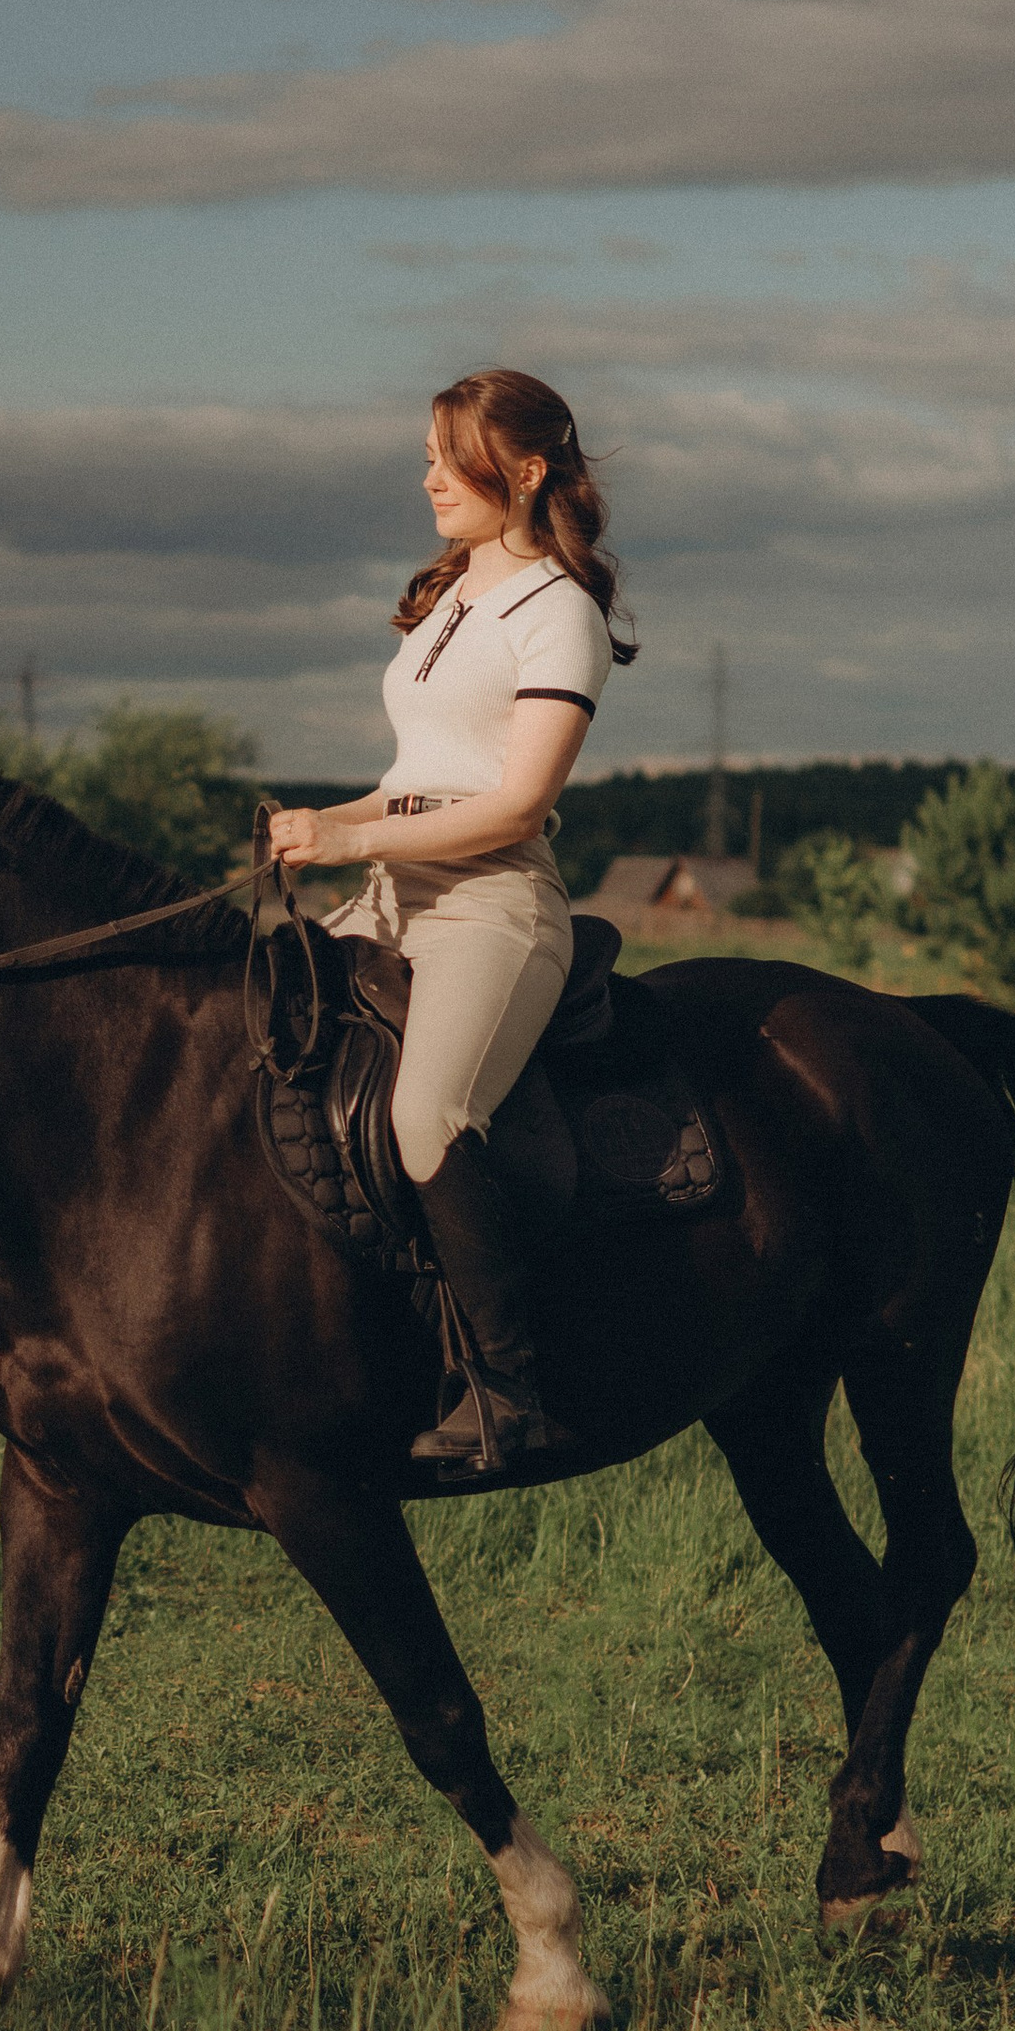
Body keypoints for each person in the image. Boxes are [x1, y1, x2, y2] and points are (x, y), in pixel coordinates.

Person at [268, 370, 634, 1471]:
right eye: (428, 452)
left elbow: (514, 802)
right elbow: (413, 779)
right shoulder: (448, 597)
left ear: (524, 471)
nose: (428, 475)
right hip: (388, 888)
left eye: (452, 454)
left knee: (430, 1115)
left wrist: (351, 841)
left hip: (491, 901)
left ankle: (506, 1391)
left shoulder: (558, 610)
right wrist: (320, 821)